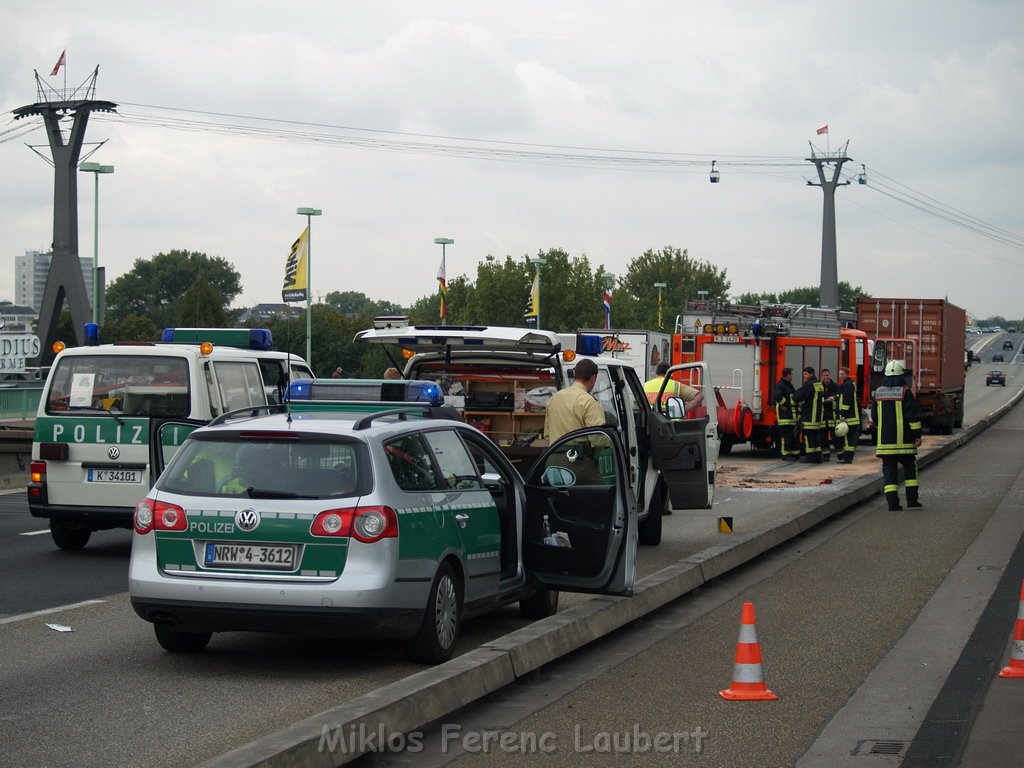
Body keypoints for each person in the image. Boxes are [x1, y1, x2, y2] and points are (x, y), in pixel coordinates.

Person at [870, 360, 923, 510]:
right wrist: (917, 435)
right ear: (901, 375)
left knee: (889, 472)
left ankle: (892, 504)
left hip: (885, 443)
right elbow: (913, 417)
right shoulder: (905, 392)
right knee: (910, 470)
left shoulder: (878, 393)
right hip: (905, 442)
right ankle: (912, 501)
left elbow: (875, 418)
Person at [543, 358, 606, 484]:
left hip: (552, 462)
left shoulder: (554, 399)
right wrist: (612, 440)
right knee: (602, 498)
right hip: (578, 463)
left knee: (560, 500)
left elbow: (547, 434)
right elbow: (597, 439)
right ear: (593, 377)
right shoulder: (587, 401)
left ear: (575, 375)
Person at [794, 366, 825, 463]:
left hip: (809, 415)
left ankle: (809, 457)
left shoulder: (809, 385)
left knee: (808, 437)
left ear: (811, 374)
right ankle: (818, 457)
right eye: (804, 374)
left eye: (806, 374)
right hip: (817, 416)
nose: (804, 376)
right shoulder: (819, 384)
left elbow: (797, 397)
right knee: (816, 438)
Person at [834, 367, 860, 463]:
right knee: (849, 439)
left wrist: (843, 414)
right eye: (840, 374)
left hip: (849, 417)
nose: (841, 376)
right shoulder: (848, 384)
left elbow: (846, 401)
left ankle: (848, 459)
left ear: (847, 374)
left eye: (843, 374)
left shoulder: (848, 385)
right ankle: (848, 458)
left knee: (848, 439)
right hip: (851, 416)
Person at [773, 367, 800, 460]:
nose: (792, 376)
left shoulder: (788, 384)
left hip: (791, 417)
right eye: (791, 374)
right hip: (785, 417)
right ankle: (785, 454)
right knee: (786, 437)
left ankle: (794, 453)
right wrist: (785, 404)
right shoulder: (781, 385)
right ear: (788, 375)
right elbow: (777, 396)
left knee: (793, 436)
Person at [819, 368, 838, 461]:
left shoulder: (835, 386)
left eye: (827, 375)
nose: (826, 377)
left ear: (830, 375)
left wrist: (832, 398)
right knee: (823, 437)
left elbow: (837, 397)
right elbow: (818, 399)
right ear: (821, 376)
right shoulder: (820, 387)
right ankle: (826, 455)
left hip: (832, 416)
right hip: (823, 417)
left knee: (835, 436)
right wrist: (827, 400)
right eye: (824, 376)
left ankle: (840, 455)